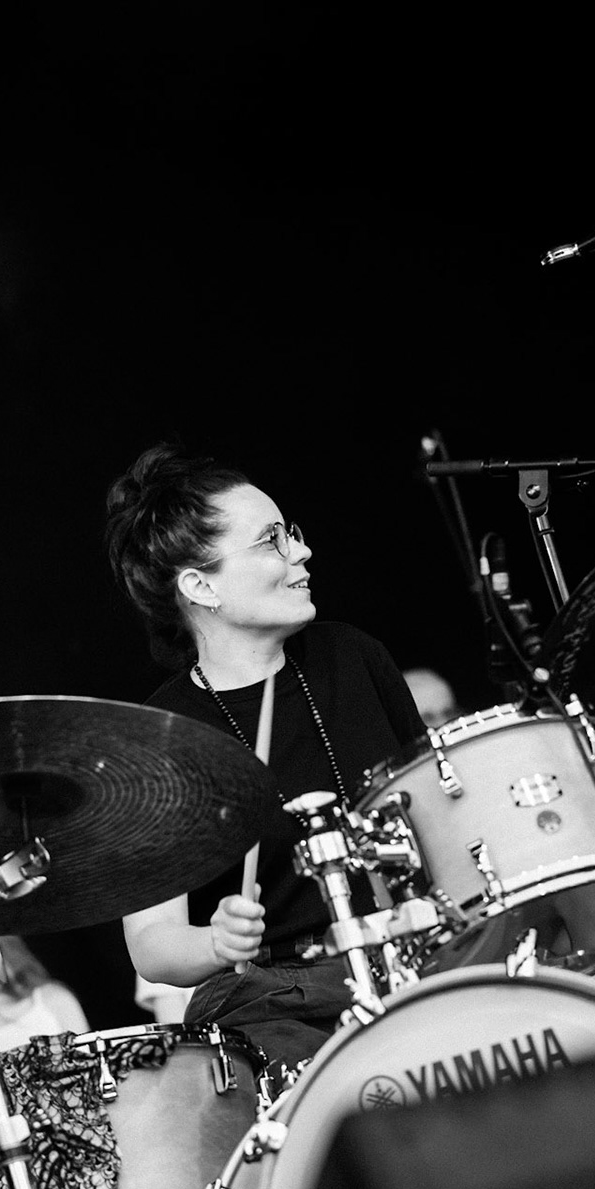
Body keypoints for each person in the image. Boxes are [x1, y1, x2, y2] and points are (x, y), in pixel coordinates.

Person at [105, 445, 423, 1070]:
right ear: (199, 586)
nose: (301, 554)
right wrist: (214, 941)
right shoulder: (160, 738)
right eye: (270, 541)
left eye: (292, 533)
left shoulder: (353, 657)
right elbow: (152, 946)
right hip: (279, 1003)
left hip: (410, 959)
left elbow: (441, 811)